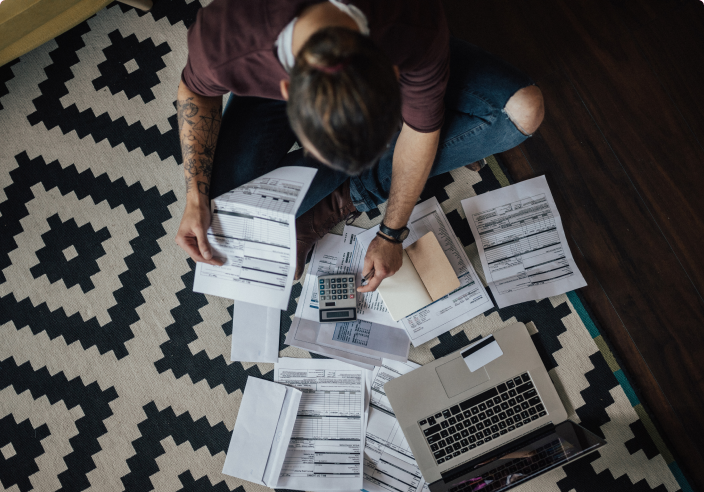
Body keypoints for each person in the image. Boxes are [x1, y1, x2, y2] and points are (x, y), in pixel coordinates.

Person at [175, 0, 544, 293]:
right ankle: (353, 182)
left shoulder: (412, 24)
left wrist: (391, 231)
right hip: (273, 50)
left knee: (522, 111)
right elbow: (194, 92)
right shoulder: (227, 39)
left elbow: (421, 131)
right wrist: (195, 195)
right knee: (224, 213)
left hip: (400, 35)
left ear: (394, 74)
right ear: (286, 90)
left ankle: (346, 197)